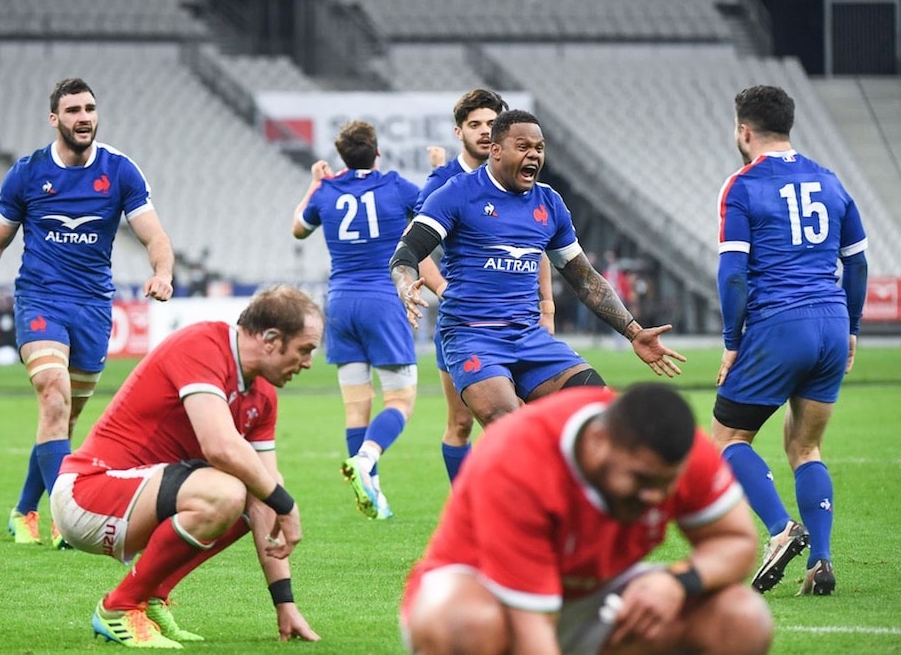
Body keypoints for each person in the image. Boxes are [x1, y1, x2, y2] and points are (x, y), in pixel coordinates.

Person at [0, 77, 174, 549]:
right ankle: (64, 518)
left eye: (89, 108)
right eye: (73, 111)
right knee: (53, 394)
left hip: (92, 305)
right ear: (55, 119)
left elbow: (155, 236)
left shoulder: (121, 170)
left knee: (62, 419)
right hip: (41, 298)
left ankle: (23, 508)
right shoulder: (27, 173)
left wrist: (162, 272)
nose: (84, 117)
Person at [400, 383, 773, 655]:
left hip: (594, 594)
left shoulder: (675, 449)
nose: (655, 498)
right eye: (641, 481)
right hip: (492, 598)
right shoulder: (517, 458)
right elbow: (534, 633)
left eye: (665, 485)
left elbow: (736, 540)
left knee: (740, 617)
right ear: (597, 441)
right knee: (464, 624)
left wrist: (678, 583)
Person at [50, 285, 323, 648]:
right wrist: (287, 505)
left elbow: (266, 493)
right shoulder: (203, 344)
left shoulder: (263, 396)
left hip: (137, 499)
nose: (308, 363)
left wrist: (285, 603)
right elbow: (220, 447)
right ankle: (119, 607)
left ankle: (150, 597)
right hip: (88, 493)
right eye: (304, 350)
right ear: (271, 339)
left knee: (256, 489)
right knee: (227, 492)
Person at [390, 109, 685, 430]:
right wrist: (405, 282)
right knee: (508, 423)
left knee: (600, 415)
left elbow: (584, 279)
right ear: (496, 150)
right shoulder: (457, 194)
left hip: (529, 337)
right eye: (523, 146)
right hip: (472, 335)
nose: (534, 154)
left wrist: (634, 332)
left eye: (539, 148)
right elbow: (407, 251)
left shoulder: (550, 203)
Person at [711, 85, 868, 597]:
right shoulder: (829, 179)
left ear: (744, 130)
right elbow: (858, 263)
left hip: (779, 324)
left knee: (728, 442)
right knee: (806, 445)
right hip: (830, 319)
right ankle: (820, 563)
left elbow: (733, 272)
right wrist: (852, 329)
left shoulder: (742, 185)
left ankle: (781, 531)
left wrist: (733, 341)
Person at [417, 89, 559, 483]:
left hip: (519, 322)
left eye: (490, 123)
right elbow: (416, 246)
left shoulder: (525, 187)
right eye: (474, 124)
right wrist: (447, 290)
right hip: (466, 325)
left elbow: (537, 244)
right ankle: (472, 512)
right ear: (459, 131)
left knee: (522, 415)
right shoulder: (444, 184)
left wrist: (546, 305)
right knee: (462, 423)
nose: (483, 132)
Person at [292, 120, 420, 520]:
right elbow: (434, 214)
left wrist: (314, 183)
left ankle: (373, 498)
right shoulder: (395, 186)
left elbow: (298, 229)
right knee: (400, 399)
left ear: (341, 156)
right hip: (382, 299)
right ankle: (366, 459)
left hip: (341, 302)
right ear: (377, 153)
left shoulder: (327, 190)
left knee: (355, 408)